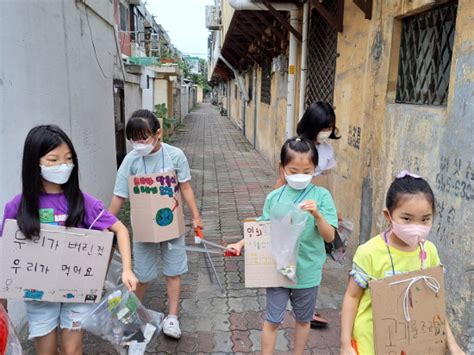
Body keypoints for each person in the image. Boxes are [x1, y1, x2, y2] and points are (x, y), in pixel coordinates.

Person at [0, 125, 138, 355]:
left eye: (68, 159)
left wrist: (127, 270)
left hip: (78, 291)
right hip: (38, 294)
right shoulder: (18, 206)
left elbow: (120, 230)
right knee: (46, 352)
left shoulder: (83, 202)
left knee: (72, 351)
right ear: (34, 163)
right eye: (53, 160)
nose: (62, 166)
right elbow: (6, 253)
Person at [228, 137, 338, 355]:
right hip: (277, 270)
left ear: (314, 169)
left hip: (307, 272)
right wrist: (241, 243)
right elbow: (263, 226)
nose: (300, 175)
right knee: (272, 319)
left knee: (303, 320)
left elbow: (329, 237)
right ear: (283, 169)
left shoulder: (322, 197)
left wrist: (317, 215)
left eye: (306, 171)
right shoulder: (274, 197)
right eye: (293, 170)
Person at [340, 172, 465, 355]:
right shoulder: (369, 252)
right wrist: (345, 344)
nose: (416, 226)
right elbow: (352, 297)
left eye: (425, 219)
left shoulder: (429, 252)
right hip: (371, 345)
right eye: (406, 218)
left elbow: (434, 304)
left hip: (413, 344)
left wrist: (452, 344)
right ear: (388, 216)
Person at [109, 109, 202, 340]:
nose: (139, 143)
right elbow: (119, 195)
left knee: (173, 271)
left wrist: (196, 216)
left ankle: (172, 317)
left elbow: (186, 187)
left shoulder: (175, 156)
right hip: (142, 229)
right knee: (141, 275)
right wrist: (105, 225)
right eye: (134, 139)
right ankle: (133, 316)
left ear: (158, 133)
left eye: (144, 137)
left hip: (171, 225)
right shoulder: (131, 161)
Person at [275, 101, 341, 328]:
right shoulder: (296, 147)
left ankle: (306, 308)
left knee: (313, 256)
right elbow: (281, 181)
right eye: (324, 126)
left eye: (331, 126)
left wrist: (329, 210)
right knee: (292, 251)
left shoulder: (327, 150)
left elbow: (326, 182)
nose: (328, 131)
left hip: (317, 209)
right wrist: (275, 209)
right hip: (295, 211)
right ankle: (297, 303)